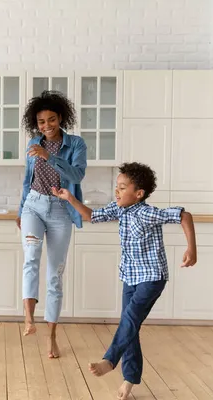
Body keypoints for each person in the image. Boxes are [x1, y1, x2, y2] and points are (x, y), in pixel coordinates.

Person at [52, 162, 197, 400]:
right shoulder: (119, 209)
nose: (116, 191)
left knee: (129, 320)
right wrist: (70, 198)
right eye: (116, 186)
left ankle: (110, 360)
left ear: (138, 194)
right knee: (130, 326)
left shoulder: (147, 212)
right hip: (130, 276)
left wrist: (192, 249)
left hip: (151, 277)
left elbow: (184, 215)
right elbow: (91, 216)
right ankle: (129, 379)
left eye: (121, 187)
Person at [17, 90, 87, 358]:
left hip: (60, 210)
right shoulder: (33, 143)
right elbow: (27, 179)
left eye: (52, 120)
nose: (46, 126)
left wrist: (49, 157)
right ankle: (28, 319)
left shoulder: (76, 144)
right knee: (31, 257)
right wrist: (21, 209)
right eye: (41, 122)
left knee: (55, 275)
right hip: (33, 206)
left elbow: (77, 175)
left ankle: (51, 337)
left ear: (61, 118)